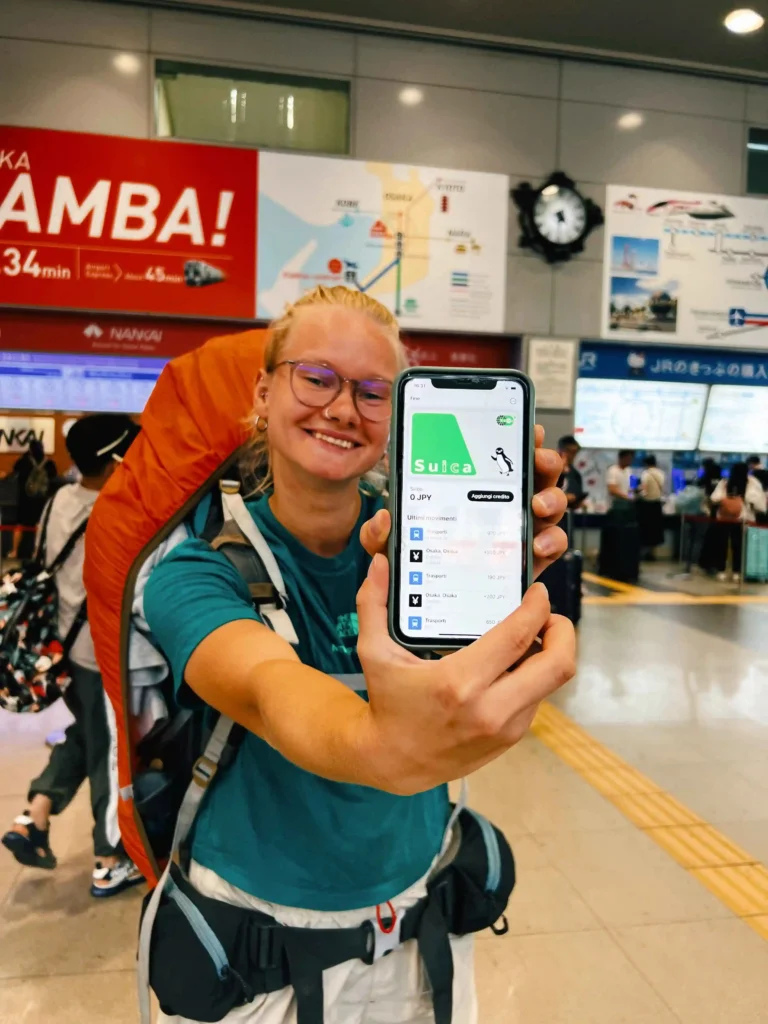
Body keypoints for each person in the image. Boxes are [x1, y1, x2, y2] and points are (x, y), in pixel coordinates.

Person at [140, 286, 575, 1024]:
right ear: (265, 390)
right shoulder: (193, 573)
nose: (343, 408)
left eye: (375, 392)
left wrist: (498, 573)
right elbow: (267, 686)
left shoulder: (421, 551)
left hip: (419, 919)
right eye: (317, 378)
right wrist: (381, 745)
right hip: (258, 939)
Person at [1, 414, 144, 897]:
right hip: (102, 653)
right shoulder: (116, 509)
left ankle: (35, 815)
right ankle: (108, 859)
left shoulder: (60, 497)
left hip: (66, 647)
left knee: (86, 737)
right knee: (109, 755)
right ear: (115, 460)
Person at [707, 461, 767, 581]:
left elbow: (714, 498)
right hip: (744, 519)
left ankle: (722, 570)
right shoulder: (752, 482)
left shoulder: (725, 482)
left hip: (724, 518)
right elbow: (759, 503)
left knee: (722, 545)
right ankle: (737, 571)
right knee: (740, 546)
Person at [7, 438, 57, 561]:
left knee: (20, 526)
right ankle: (36, 552)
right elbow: (54, 475)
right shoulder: (48, 463)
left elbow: (15, 469)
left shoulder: (24, 461)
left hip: (25, 501)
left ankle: (14, 551)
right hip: (41, 500)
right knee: (39, 526)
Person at [637, 454, 665, 560]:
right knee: (655, 531)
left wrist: (637, 493)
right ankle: (653, 554)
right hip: (657, 506)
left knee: (645, 530)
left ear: (646, 463)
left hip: (646, 506)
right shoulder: (661, 473)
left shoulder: (646, 473)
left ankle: (642, 553)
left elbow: (644, 490)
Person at [557, 435, 586, 510]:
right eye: (570, 452)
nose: (572, 456)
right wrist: (562, 496)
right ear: (560, 451)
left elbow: (577, 495)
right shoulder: (550, 471)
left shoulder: (576, 475)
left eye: (575, 452)